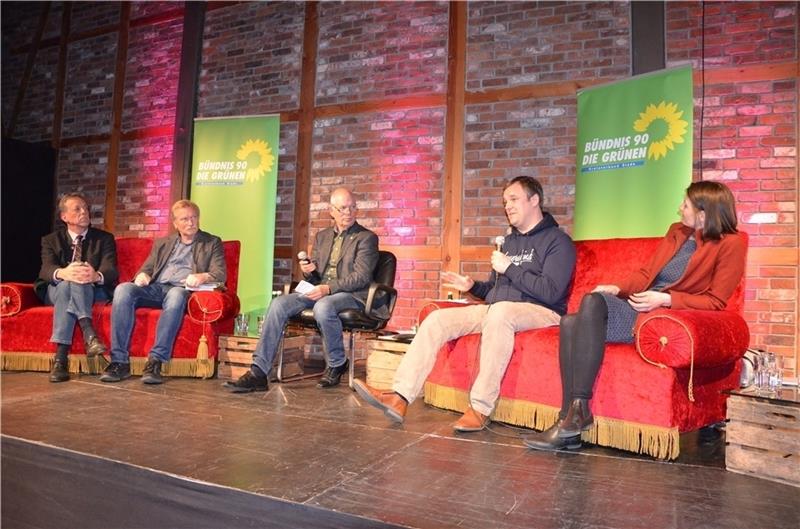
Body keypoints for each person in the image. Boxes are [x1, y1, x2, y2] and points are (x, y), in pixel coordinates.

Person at [523, 181, 747, 451]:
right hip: (640, 303)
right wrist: (618, 287)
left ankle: (571, 420)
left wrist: (666, 300)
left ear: (703, 214)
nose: (679, 209)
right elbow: (646, 273)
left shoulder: (730, 244)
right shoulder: (677, 232)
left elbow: (716, 301)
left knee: (582, 314)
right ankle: (570, 419)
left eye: (685, 205)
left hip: (663, 316)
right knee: (573, 318)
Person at [353, 176, 576, 432]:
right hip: (500, 310)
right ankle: (400, 396)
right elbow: (495, 291)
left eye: (514, 199)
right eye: (505, 202)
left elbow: (550, 292)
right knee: (438, 319)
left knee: (501, 312)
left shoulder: (558, 241)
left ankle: (480, 407)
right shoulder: (510, 242)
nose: (508, 207)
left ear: (534, 200)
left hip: (544, 312)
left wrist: (510, 268)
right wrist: (472, 287)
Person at [224, 187, 379, 393]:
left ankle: (336, 363)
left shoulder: (366, 238)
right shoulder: (323, 236)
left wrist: (327, 288)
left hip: (351, 295)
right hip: (321, 290)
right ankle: (258, 372)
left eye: (352, 207)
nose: (348, 212)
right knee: (279, 303)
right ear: (331, 210)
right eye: (342, 208)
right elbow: (316, 278)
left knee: (323, 306)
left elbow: (362, 277)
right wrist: (309, 272)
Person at [101, 199, 226, 385]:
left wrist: (202, 276)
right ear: (175, 223)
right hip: (156, 288)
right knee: (123, 289)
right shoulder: (163, 243)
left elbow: (220, 273)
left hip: (182, 289)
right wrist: (143, 275)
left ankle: (155, 362)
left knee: (175, 296)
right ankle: (119, 362)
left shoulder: (211, 242)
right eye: (184, 219)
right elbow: (148, 268)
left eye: (194, 218)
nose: (190, 222)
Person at [36, 193, 118, 383]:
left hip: (92, 289)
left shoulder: (104, 238)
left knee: (72, 283)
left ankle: (60, 360)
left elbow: (110, 268)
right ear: (64, 217)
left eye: (85, 208)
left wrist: (95, 275)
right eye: (77, 209)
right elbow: (46, 269)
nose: (84, 212)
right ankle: (89, 332)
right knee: (66, 282)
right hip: (54, 291)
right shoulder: (50, 240)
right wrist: (63, 273)